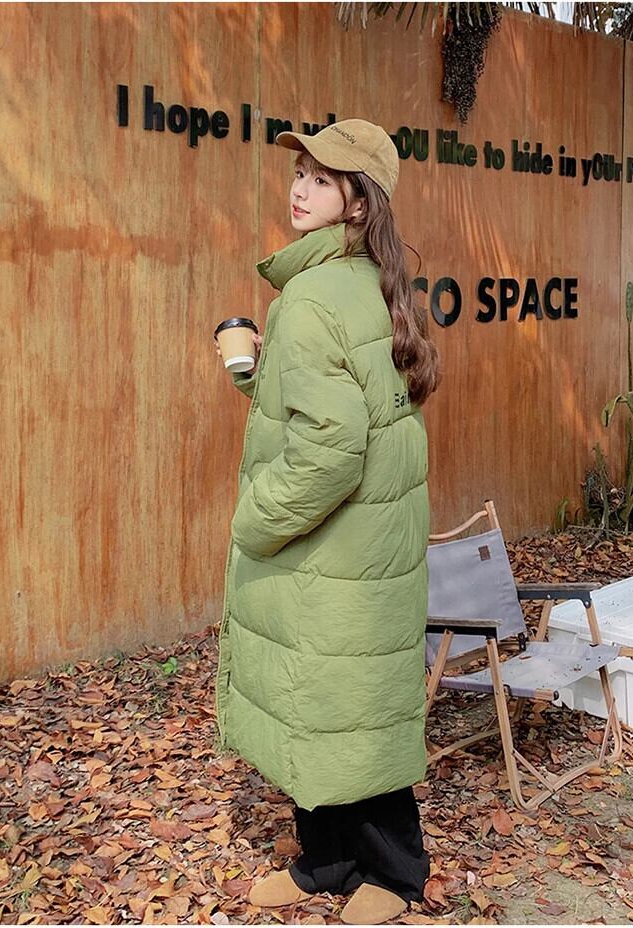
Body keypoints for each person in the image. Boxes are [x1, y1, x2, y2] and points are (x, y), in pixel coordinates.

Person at [214, 118, 441, 925]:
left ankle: (395, 873)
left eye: (321, 177)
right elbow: (350, 409)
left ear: (359, 202)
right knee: (332, 705)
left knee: (345, 707)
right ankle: (329, 863)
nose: (299, 188)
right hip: (363, 548)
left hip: (335, 551)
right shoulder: (368, 281)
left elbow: (332, 451)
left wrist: (254, 521)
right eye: (299, 172)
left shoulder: (312, 297)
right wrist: (257, 374)